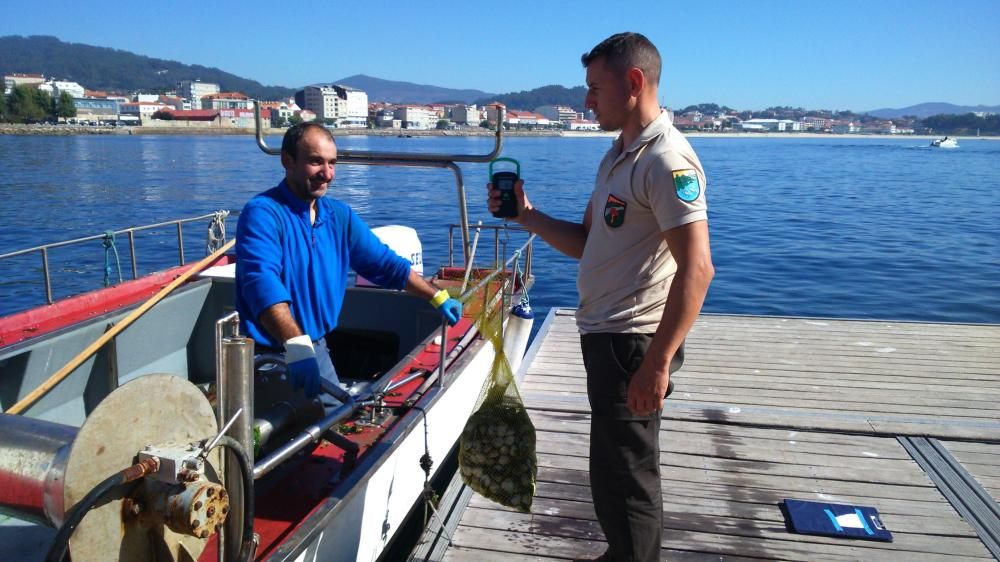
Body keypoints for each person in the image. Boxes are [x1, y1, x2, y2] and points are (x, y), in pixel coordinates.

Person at [488, 32, 714, 562]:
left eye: (595, 88)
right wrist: (526, 216)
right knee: (611, 471)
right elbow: (589, 244)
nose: (588, 100)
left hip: (634, 342)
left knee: (630, 477)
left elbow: (698, 269)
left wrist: (656, 365)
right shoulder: (619, 156)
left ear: (633, 83)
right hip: (606, 338)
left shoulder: (667, 161)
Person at [236, 122, 462, 399]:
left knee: (334, 421)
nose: (327, 174)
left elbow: (385, 264)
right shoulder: (263, 214)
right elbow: (262, 284)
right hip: (273, 354)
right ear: (287, 161)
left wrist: (436, 297)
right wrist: (295, 345)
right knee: (291, 432)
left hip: (315, 348)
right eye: (316, 162)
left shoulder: (339, 216)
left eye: (332, 163)